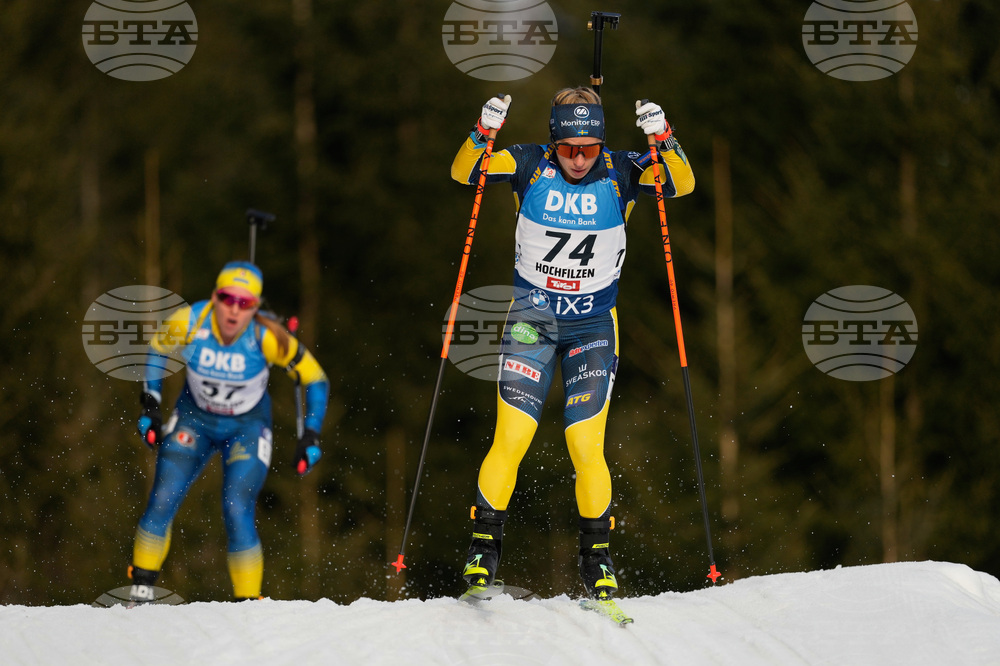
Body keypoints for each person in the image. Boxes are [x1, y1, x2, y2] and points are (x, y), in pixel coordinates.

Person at [451, 88, 695, 600]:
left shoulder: (623, 170)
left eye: (588, 148)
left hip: (593, 327)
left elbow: (682, 183)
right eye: (567, 149)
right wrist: (482, 130)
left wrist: (664, 137)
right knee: (512, 437)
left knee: (585, 445)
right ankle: (482, 549)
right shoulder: (527, 163)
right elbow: (465, 172)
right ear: (552, 142)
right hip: (532, 322)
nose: (579, 159)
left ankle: (597, 561)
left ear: (601, 143)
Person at [128, 261, 330, 602]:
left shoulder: (267, 337)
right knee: (163, 496)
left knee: (237, 507)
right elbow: (158, 350)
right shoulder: (189, 321)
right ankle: (141, 588)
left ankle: (247, 603)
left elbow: (315, 378)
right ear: (214, 297)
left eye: (245, 302)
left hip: (246, 428)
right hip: (194, 420)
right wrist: (151, 404)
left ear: (256, 307)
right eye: (227, 299)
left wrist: (311, 434)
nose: (234, 310)